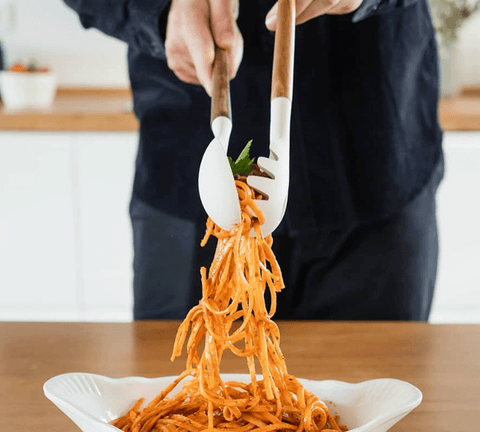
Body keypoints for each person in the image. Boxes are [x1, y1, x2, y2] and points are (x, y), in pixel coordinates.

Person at [63, 0, 444, 321]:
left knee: (377, 395)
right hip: (184, 177)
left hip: (378, 166)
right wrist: (158, 10)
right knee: (179, 392)